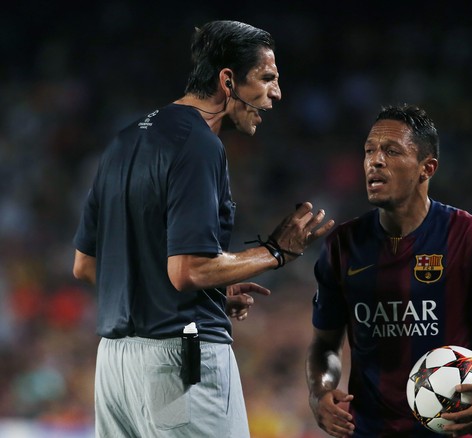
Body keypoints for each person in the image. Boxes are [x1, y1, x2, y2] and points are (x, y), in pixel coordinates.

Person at [72, 20, 334, 438]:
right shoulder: (198, 143)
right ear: (227, 80)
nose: (277, 93)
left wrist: (200, 294)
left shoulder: (122, 142)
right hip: (179, 365)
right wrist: (275, 252)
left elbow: (86, 266)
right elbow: (190, 270)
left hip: (114, 370)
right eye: (266, 78)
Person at [305, 104, 472, 438]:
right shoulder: (341, 246)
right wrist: (320, 392)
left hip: (453, 430)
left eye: (391, 151)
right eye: (369, 151)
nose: (375, 161)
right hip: (367, 431)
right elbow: (324, 345)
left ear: (426, 168)